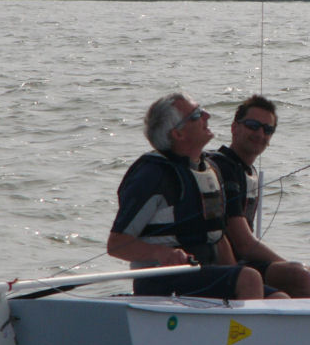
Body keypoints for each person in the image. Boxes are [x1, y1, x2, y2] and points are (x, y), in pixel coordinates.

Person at [107, 92, 287, 300]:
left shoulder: (209, 171)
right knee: (249, 279)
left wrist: (232, 272)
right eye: (196, 115)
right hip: (162, 281)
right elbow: (116, 243)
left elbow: (217, 237)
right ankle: (243, 332)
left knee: (278, 298)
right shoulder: (152, 175)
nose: (207, 116)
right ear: (178, 134)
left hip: (205, 274)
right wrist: (161, 253)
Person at [209, 94, 310, 297]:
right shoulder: (224, 167)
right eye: (253, 125)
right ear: (235, 127)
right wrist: (286, 264)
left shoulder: (247, 171)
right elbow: (243, 242)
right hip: (227, 266)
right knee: (299, 274)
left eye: (267, 129)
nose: (260, 133)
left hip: (250, 263)